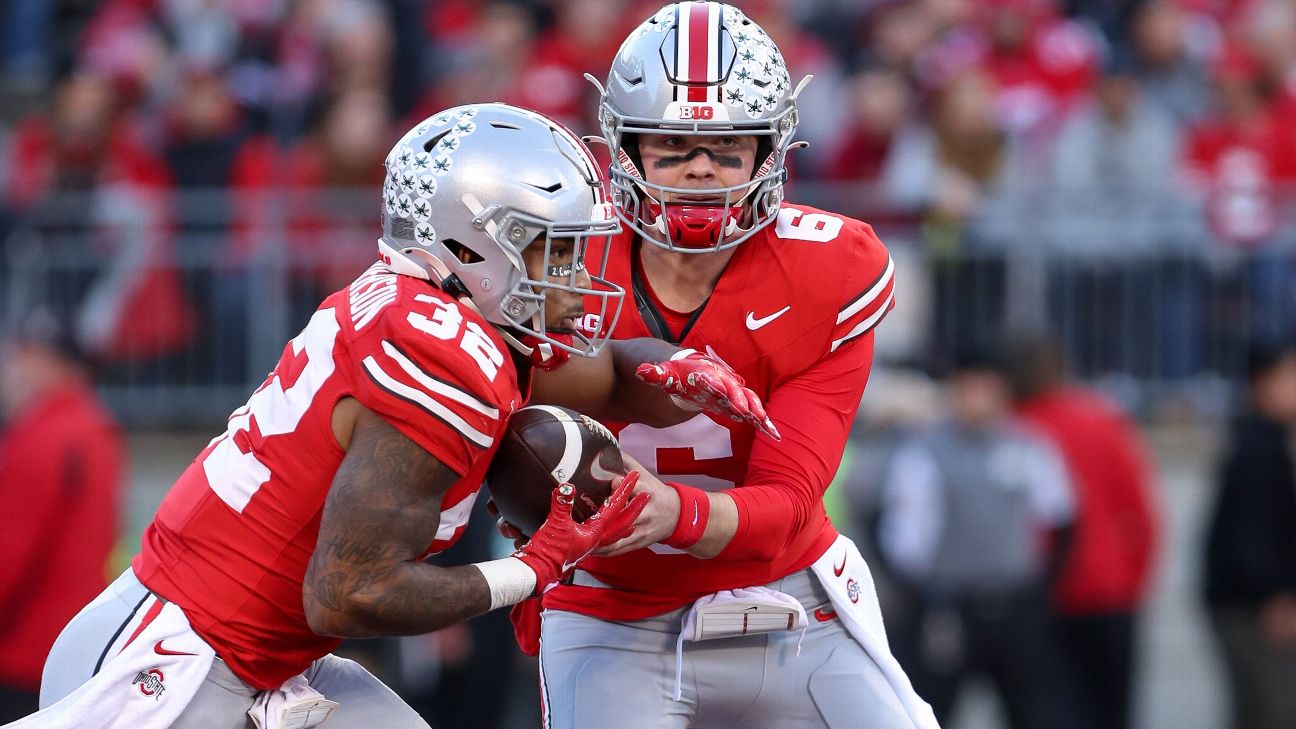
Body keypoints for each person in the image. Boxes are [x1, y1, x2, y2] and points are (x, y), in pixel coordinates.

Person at [12, 103, 765, 729]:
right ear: (474, 245)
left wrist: (679, 368)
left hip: (256, 656)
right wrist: (533, 569)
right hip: (176, 665)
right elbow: (348, 591)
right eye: (553, 252)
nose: (574, 280)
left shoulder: (441, 313)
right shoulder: (447, 353)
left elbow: (604, 375)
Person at [524, 4, 937, 728]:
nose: (702, 170)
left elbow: (787, 505)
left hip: (794, 597)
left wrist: (667, 511)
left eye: (725, 146)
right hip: (613, 608)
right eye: (674, 147)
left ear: (770, 149)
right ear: (623, 148)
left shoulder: (829, 268)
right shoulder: (560, 263)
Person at [876, 352, 1080, 729]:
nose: (977, 400)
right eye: (968, 390)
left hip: (1014, 603)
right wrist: (922, 593)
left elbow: (1061, 515)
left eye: (986, 389)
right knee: (934, 708)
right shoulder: (927, 450)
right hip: (950, 606)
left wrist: (1044, 587)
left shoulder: (1028, 444)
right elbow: (903, 532)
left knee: (1034, 708)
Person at [1009, 337, 1159, 729]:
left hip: (1041, 598)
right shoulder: (1100, 420)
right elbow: (1141, 514)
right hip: (1108, 595)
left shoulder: (1013, 428)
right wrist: (1133, 583)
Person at [0, 308, 125, 723]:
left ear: (48, 363)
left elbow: (9, 557)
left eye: (22, 357)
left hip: (22, 653)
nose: (12, 370)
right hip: (75, 648)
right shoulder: (97, 428)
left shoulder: (40, 435)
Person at [1204, 342, 1296, 729]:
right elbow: (1250, 534)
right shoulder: (1258, 446)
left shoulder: (1259, 437)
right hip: (1254, 607)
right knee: (1274, 710)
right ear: (1265, 383)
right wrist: (1276, 596)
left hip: (1246, 602)